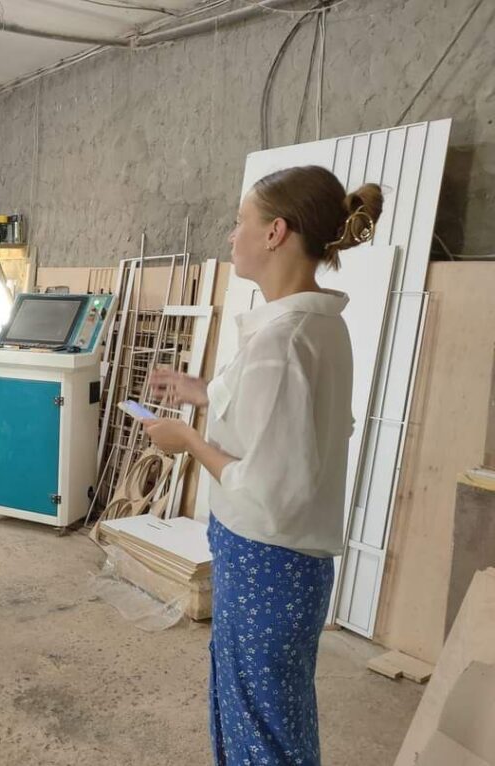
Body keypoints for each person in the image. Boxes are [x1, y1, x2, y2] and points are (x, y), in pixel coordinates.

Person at [143, 166, 383, 765]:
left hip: (266, 562)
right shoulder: (319, 325)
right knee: (271, 718)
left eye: (240, 221)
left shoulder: (284, 338)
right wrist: (204, 392)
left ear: (275, 232)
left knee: (261, 732)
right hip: (288, 564)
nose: (232, 235)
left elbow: (268, 488)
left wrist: (188, 439)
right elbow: (285, 421)